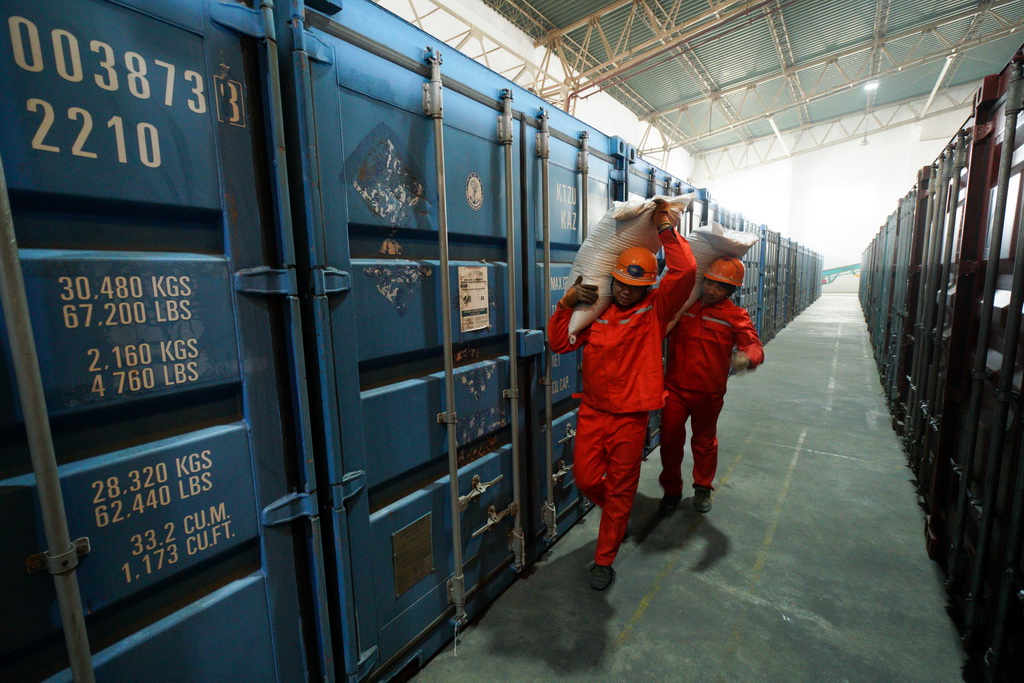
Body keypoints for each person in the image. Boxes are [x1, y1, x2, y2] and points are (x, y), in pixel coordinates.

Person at [548, 201, 696, 590]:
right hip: (594, 413)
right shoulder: (597, 316)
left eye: (637, 287)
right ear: (611, 280)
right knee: (584, 478)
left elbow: (687, 270)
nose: (628, 293)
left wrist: (665, 227)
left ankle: (604, 558)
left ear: (648, 287)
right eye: (622, 285)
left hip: (632, 418)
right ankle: (619, 511)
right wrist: (564, 306)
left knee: (620, 487)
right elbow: (560, 344)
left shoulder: (656, 310)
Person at [658, 256, 764, 515]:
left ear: (730, 291)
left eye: (719, 287)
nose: (711, 290)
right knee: (670, 441)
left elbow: (753, 345)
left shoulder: (735, 316)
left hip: (709, 393)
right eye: (709, 283)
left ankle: (703, 486)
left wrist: (747, 358)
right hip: (675, 389)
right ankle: (672, 489)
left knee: (704, 442)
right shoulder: (686, 307)